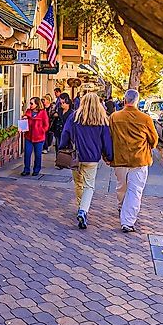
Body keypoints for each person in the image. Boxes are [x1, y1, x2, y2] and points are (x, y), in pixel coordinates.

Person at [110, 89, 159, 233]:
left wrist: (108, 155)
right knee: (135, 191)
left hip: (120, 159)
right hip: (139, 159)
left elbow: (109, 137)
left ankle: (122, 208)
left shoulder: (114, 117)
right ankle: (127, 221)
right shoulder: (145, 118)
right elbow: (154, 139)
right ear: (136, 101)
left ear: (124, 100)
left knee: (121, 188)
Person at [63, 92, 113, 229]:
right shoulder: (102, 119)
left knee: (78, 183)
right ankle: (83, 210)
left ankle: (81, 207)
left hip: (76, 156)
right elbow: (106, 141)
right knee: (89, 186)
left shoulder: (74, 117)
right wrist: (109, 156)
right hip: (92, 158)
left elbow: (65, 134)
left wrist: (62, 148)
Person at [21, 97, 50, 176]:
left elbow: (46, 125)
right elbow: (24, 123)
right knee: (27, 153)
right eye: (30, 103)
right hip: (29, 137)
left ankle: (36, 170)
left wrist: (41, 131)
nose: (30, 105)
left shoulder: (43, 112)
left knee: (38, 155)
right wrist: (24, 119)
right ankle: (26, 169)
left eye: (31, 103)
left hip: (39, 138)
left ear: (37, 104)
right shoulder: (28, 112)